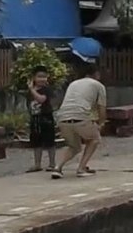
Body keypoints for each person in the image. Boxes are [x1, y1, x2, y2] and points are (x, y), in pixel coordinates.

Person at [52, 41, 105, 179]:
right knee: (94, 139)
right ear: (96, 74)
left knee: (74, 146)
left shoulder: (73, 83)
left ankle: (57, 168)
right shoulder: (98, 85)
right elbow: (101, 108)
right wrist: (101, 123)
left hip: (62, 117)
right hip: (81, 117)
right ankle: (81, 168)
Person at [26, 67, 57, 173]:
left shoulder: (46, 89)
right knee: (36, 142)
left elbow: (41, 99)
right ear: (34, 78)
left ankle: (52, 164)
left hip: (46, 118)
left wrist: (32, 90)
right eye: (39, 77)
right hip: (35, 118)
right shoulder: (30, 90)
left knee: (50, 141)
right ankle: (37, 164)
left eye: (44, 77)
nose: (42, 79)